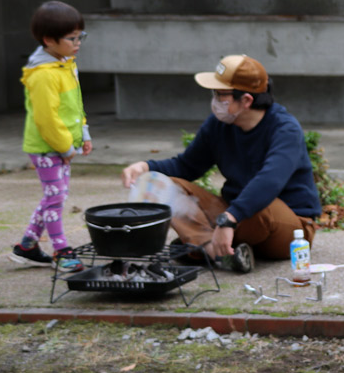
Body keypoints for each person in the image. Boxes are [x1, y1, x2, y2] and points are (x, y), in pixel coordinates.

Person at [121, 55, 320, 273]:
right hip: (234, 216)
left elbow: (269, 181)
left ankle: (201, 244)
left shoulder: (285, 129)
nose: (214, 100)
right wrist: (145, 168)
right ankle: (214, 249)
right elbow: (187, 166)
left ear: (246, 100)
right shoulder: (219, 125)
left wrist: (228, 220)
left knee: (261, 204)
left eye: (220, 94)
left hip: (288, 227)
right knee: (157, 185)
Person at [10, 1, 92, 272]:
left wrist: (83, 133)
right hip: (47, 147)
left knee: (54, 196)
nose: (78, 42)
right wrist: (67, 147)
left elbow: (74, 105)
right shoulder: (44, 75)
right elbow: (47, 119)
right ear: (49, 40)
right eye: (72, 38)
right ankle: (62, 252)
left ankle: (27, 246)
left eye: (81, 35)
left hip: (62, 145)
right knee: (55, 198)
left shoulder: (65, 63)